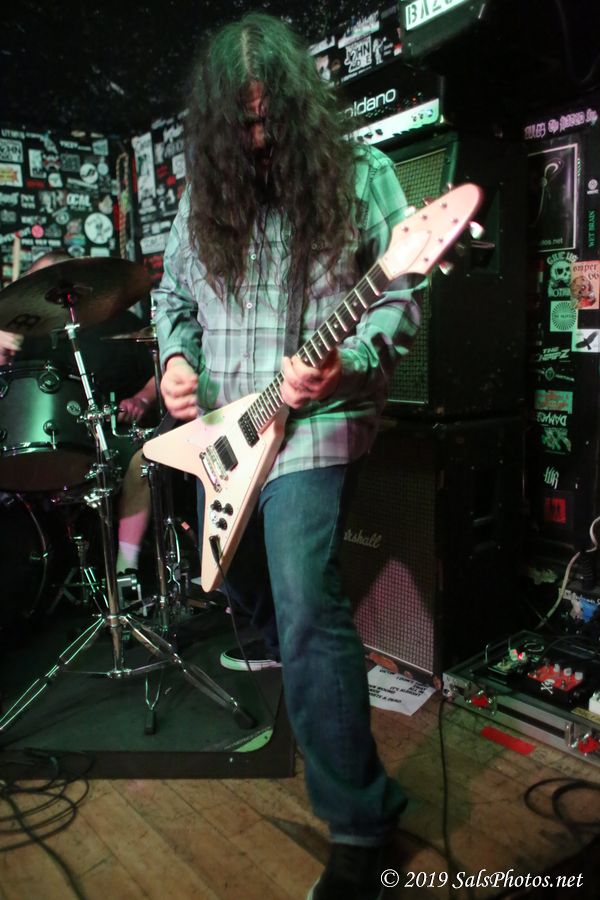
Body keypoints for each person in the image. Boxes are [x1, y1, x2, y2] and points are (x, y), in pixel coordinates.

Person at [153, 13, 422, 900]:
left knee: (307, 602)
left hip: (317, 423)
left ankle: (360, 827)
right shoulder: (203, 200)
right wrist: (175, 362)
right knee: (241, 590)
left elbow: (401, 294)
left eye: (270, 119)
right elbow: (172, 299)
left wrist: (352, 361)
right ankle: (331, 715)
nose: (259, 138)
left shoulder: (360, 175)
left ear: (297, 106)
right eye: (243, 124)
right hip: (227, 432)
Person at [0, 250, 156, 577]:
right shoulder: (26, 336)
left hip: (111, 434)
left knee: (144, 459)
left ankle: (126, 567)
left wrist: (142, 398)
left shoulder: (121, 323)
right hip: (44, 440)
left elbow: (163, 363)